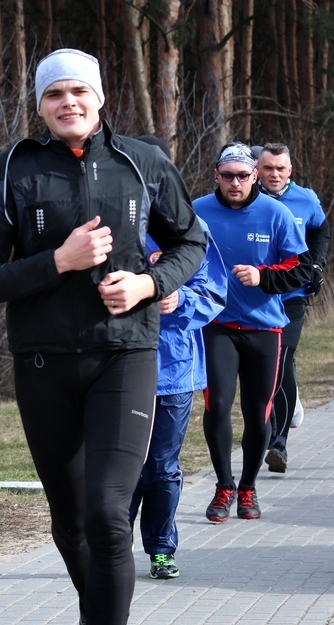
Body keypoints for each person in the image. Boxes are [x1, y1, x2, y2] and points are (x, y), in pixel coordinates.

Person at [0, 50, 206, 625]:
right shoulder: (11, 170)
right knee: (69, 522)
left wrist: (150, 285)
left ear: (100, 98)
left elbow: (191, 241)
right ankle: (98, 615)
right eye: (56, 93)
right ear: (40, 104)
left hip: (126, 357)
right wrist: (56, 262)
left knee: (107, 514)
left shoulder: (143, 161)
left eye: (80, 91)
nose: (69, 102)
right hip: (42, 363)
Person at [192, 142, 310, 523]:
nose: (235, 182)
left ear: (254, 175)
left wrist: (264, 277)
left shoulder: (275, 214)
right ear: (217, 176)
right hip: (217, 326)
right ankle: (223, 486)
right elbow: (180, 253)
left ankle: (248, 487)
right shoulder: (199, 211)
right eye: (228, 176)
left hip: (265, 327)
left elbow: (301, 268)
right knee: (218, 405)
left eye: (243, 175)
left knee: (258, 411)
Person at [128, 135, 228, 581]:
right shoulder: (107, 223)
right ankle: (112, 551)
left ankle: (162, 550)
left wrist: (181, 298)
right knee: (121, 467)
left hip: (173, 370)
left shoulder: (192, 229)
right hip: (120, 364)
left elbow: (214, 293)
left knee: (162, 467)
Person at [255, 143, 330, 474]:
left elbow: (321, 230)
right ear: (257, 169)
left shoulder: (306, 199)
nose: (274, 174)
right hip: (254, 297)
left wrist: (316, 265)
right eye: (268, 168)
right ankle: (263, 429)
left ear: (290, 171)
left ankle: (278, 442)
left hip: (292, 296)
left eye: (280, 169)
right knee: (263, 367)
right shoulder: (246, 196)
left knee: (282, 359)